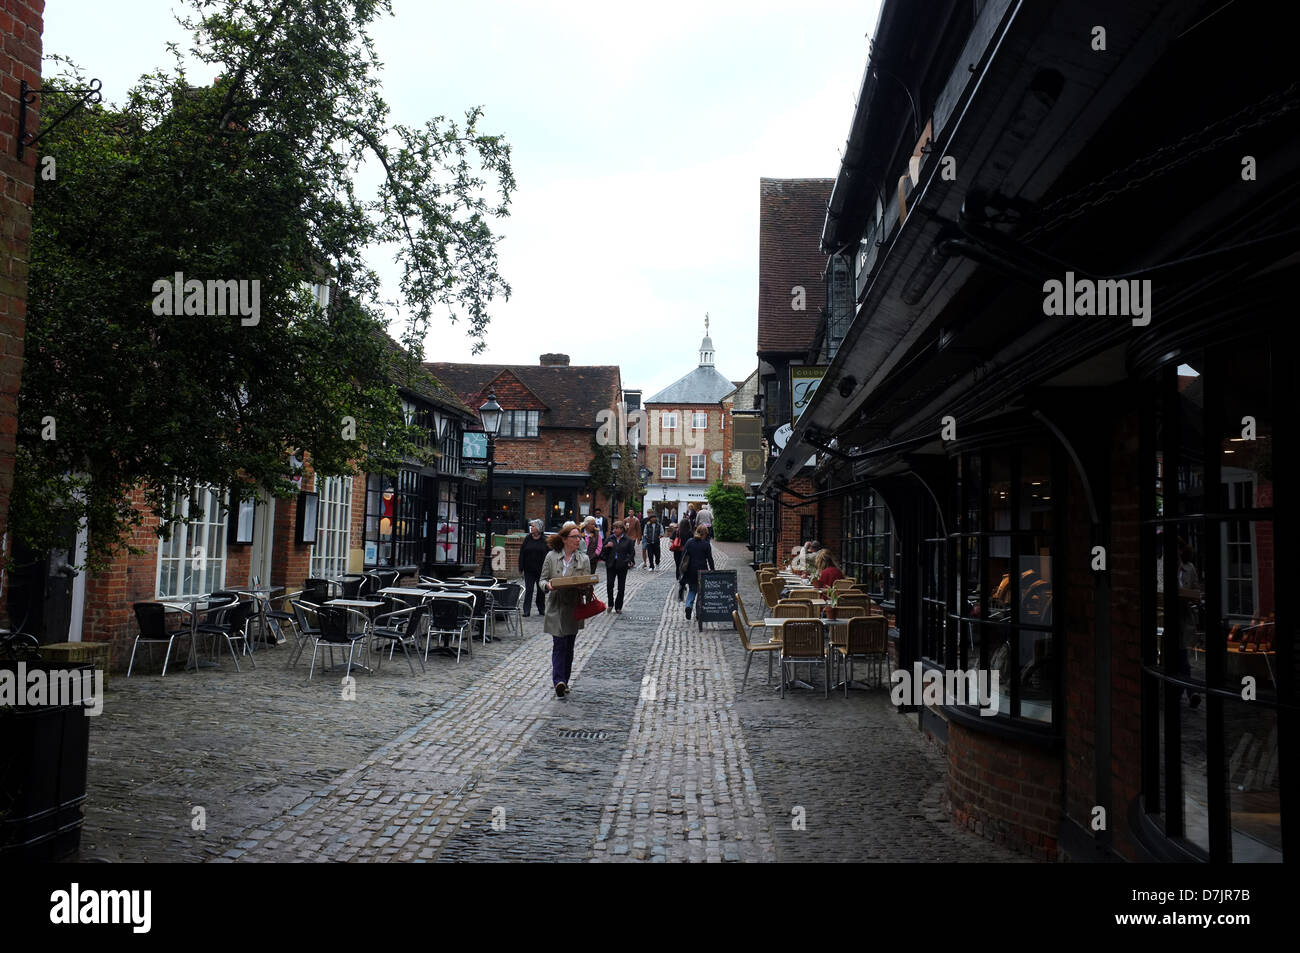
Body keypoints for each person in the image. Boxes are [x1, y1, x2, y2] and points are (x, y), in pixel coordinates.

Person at [540, 521, 593, 698]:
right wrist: (547, 585)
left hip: (573, 607)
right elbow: (542, 580)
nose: (578, 539)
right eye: (574, 537)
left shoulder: (583, 559)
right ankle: (559, 681)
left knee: (569, 646)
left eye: (579, 537)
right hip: (555, 606)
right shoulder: (551, 557)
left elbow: (587, 585)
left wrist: (585, 588)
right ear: (564, 539)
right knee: (559, 644)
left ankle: (565, 680)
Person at [680, 524, 715, 620]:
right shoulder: (706, 544)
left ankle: (688, 606)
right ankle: (698, 613)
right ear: (705, 534)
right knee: (701, 592)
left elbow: (683, 556)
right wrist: (712, 570)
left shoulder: (689, 542)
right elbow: (710, 559)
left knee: (692, 590)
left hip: (691, 570)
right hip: (702, 570)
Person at [602, 519, 636, 613]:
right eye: (614, 528)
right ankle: (610, 604)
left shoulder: (628, 540)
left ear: (622, 529)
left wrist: (627, 561)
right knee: (609, 585)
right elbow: (602, 553)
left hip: (622, 566)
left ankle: (618, 607)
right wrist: (606, 547)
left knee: (621, 588)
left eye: (617, 528)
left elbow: (631, 553)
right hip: (611, 565)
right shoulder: (610, 538)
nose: (615, 530)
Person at [518, 519, 549, 617]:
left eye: (533, 526)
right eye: (531, 526)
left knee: (541, 590)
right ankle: (526, 610)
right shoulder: (528, 538)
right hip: (529, 569)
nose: (531, 528)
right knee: (529, 590)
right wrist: (521, 566)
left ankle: (541, 608)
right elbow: (522, 552)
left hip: (541, 570)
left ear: (539, 528)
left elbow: (549, 555)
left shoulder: (545, 540)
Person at [674, 518, 693, 596]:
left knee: (678, 566)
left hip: (677, 551)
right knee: (685, 567)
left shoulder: (677, 531)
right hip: (686, 552)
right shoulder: (690, 533)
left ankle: (679, 580)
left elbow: (672, 539)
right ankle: (684, 582)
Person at [582, 515, 604, 581]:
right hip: (581, 559)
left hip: (592, 559)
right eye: (592, 524)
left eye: (594, 524)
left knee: (590, 577)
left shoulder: (597, 533)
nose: (594, 526)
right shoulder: (580, 532)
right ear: (586, 524)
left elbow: (599, 546)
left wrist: (595, 554)